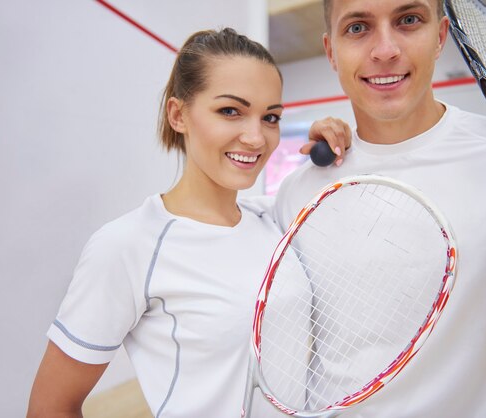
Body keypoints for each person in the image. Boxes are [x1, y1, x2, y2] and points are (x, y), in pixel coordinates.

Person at [274, 1, 486, 417]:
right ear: (332, 52)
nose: (385, 50)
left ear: (440, 37)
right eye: (358, 28)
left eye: (408, 20)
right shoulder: (297, 193)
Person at [26, 28, 350, 418]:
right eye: (230, 111)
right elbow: (50, 408)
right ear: (178, 114)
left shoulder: (273, 219)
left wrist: (342, 143)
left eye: (270, 117)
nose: (255, 137)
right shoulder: (128, 245)